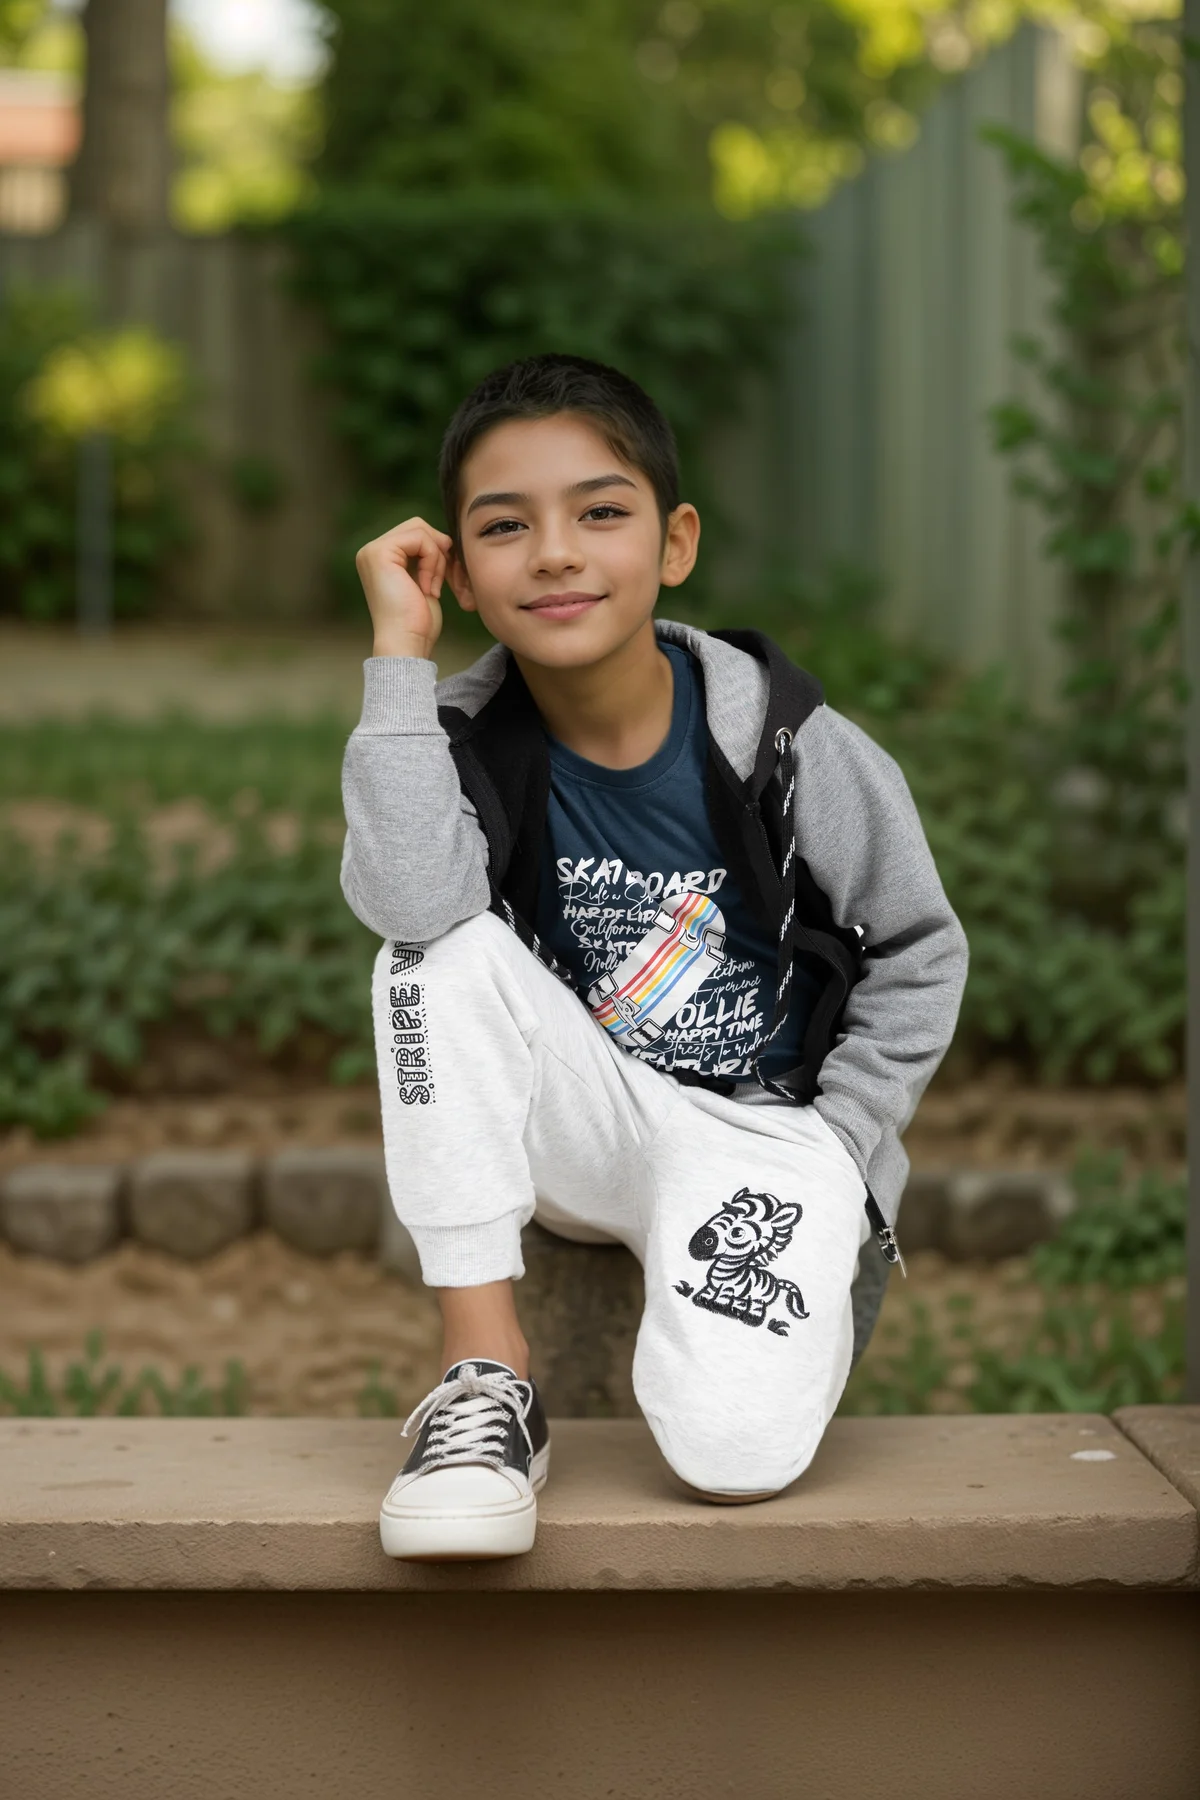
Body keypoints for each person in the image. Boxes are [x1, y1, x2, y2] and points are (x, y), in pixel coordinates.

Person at [341, 353, 967, 1561]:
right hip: (588, 1118)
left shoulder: (793, 744)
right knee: (427, 961)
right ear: (459, 575)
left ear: (674, 543)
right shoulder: (452, 739)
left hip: (766, 1135)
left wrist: (847, 1135)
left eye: (602, 512)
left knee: (736, 1465)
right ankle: (484, 1381)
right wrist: (398, 663)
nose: (559, 553)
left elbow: (919, 946)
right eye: (507, 528)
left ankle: (776, 1253)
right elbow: (413, 902)